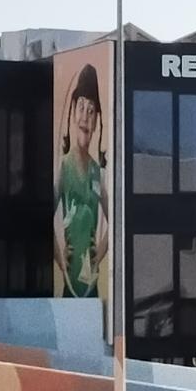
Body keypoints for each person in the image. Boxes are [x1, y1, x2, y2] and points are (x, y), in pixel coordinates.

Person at [54, 63, 110, 298]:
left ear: (97, 119)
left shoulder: (98, 172)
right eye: (81, 108)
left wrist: (101, 250)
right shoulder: (63, 167)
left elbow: (115, 221)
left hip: (90, 277)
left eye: (91, 110)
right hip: (70, 276)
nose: (85, 117)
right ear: (73, 112)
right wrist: (58, 255)